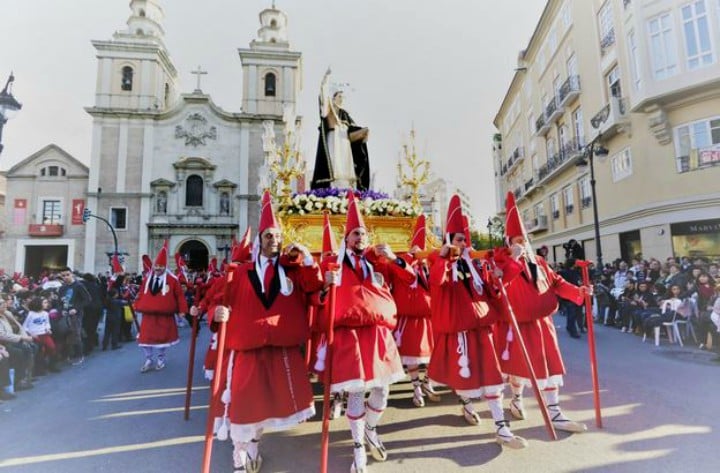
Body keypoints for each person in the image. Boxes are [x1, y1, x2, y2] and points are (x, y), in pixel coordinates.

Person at [213, 191, 324, 473]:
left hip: (280, 349)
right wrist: (218, 314)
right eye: (268, 236)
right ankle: (239, 457)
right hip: (247, 348)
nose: (273, 240)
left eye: (276, 236)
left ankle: (253, 447)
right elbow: (220, 300)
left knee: (265, 407)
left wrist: (309, 259)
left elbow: (314, 288)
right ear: (259, 241)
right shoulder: (239, 272)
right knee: (243, 405)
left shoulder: (294, 271)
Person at [315, 190, 410, 472]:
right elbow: (316, 297)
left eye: (363, 234)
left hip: (379, 333)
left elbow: (410, 278)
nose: (360, 238)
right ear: (346, 238)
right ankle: (358, 447)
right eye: (354, 234)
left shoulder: (377, 262)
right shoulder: (332, 264)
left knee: (382, 390)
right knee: (356, 391)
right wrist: (325, 284)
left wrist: (394, 258)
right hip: (349, 334)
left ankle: (370, 429)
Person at [427, 195, 527, 449]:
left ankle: (501, 427)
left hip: (482, 329)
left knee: (492, 378)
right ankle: (467, 404)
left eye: (465, 239)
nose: (464, 244)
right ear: (449, 240)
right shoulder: (439, 263)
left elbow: (494, 290)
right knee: (465, 379)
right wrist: (443, 257)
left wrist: (499, 275)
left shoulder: (477, 267)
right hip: (458, 331)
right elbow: (436, 284)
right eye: (459, 239)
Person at [495, 192, 592, 434]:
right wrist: (513, 261)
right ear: (508, 242)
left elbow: (556, 282)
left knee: (550, 367)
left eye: (524, 239)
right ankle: (517, 400)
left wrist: (578, 291)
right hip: (517, 325)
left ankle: (555, 411)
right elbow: (497, 287)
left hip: (543, 323)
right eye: (516, 240)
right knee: (519, 368)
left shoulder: (538, 260)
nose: (522, 243)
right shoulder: (500, 261)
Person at [391, 214, 439, 408]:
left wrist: (428, 260)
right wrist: (411, 257)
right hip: (409, 319)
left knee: (433, 355)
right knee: (412, 355)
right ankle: (416, 387)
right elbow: (403, 273)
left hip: (429, 317)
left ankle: (427, 382)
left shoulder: (430, 266)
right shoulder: (402, 262)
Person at [311, 68, 370, 191]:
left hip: (345, 146)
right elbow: (323, 100)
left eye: (343, 96)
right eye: (339, 96)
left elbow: (353, 133)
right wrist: (325, 82)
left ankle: (347, 189)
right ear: (333, 98)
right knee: (334, 167)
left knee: (345, 169)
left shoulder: (345, 115)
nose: (341, 98)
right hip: (333, 142)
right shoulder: (329, 112)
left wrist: (363, 134)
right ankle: (332, 189)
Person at [133, 241, 188, 373]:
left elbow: (180, 296)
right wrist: (136, 304)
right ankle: (148, 359)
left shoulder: (172, 280)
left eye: (160, 266)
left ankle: (161, 358)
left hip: (165, 315)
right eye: (156, 266)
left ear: (165, 267)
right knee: (145, 339)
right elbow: (141, 293)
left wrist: (182, 311)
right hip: (148, 315)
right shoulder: (147, 279)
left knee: (162, 339)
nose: (158, 268)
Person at [58, 268, 91, 365]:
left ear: (71, 274)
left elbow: (87, 299)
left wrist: (76, 308)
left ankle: (79, 355)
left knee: (76, 334)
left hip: (76, 314)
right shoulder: (62, 288)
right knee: (66, 333)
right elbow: (59, 302)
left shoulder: (79, 286)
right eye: (63, 276)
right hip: (65, 313)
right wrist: (61, 310)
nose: (65, 277)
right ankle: (68, 354)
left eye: (67, 275)